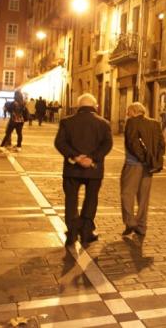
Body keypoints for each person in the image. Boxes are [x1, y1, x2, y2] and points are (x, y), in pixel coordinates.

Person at [54, 93, 113, 246]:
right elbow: (107, 144)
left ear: (78, 106)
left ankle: (72, 233)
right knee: (91, 198)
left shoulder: (67, 122)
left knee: (71, 200)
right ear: (94, 106)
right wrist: (92, 158)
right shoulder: (104, 123)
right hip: (94, 169)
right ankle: (86, 232)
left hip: (72, 169)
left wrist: (76, 157)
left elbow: (59, 143)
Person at [121, 102, 165, 238]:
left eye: (128, 111)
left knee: (127, 193)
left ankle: (130, 222)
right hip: (149, 166)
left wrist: (142, 158)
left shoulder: (131, 122)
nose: (127, 114)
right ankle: (141, 226)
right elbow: (161, 145)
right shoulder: (155, 123)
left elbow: (132, 144)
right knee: (143, 197)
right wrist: (152, 161)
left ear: (134, 111)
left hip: (133, 164)